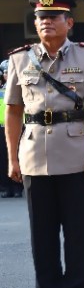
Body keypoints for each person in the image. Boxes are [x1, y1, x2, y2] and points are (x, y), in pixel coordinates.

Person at [5, 0, 84, 288]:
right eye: (41, 17)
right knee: (42, 234)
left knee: (77, 233)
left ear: (70, 22)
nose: (46, 22)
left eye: (53, 17)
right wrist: (12, 158)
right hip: (34, 153)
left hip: (77, 154)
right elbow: (12, 111)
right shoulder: (20, 59)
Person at [1, 59, 24, 198]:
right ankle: (5, 187)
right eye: (5, 72)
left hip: (18, 128)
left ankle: (17, 187)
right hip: (1, 129)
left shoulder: (22, 87)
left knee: (18, 158)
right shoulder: (1, 90)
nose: (7, 74)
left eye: (9, 71)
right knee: (3, 159)